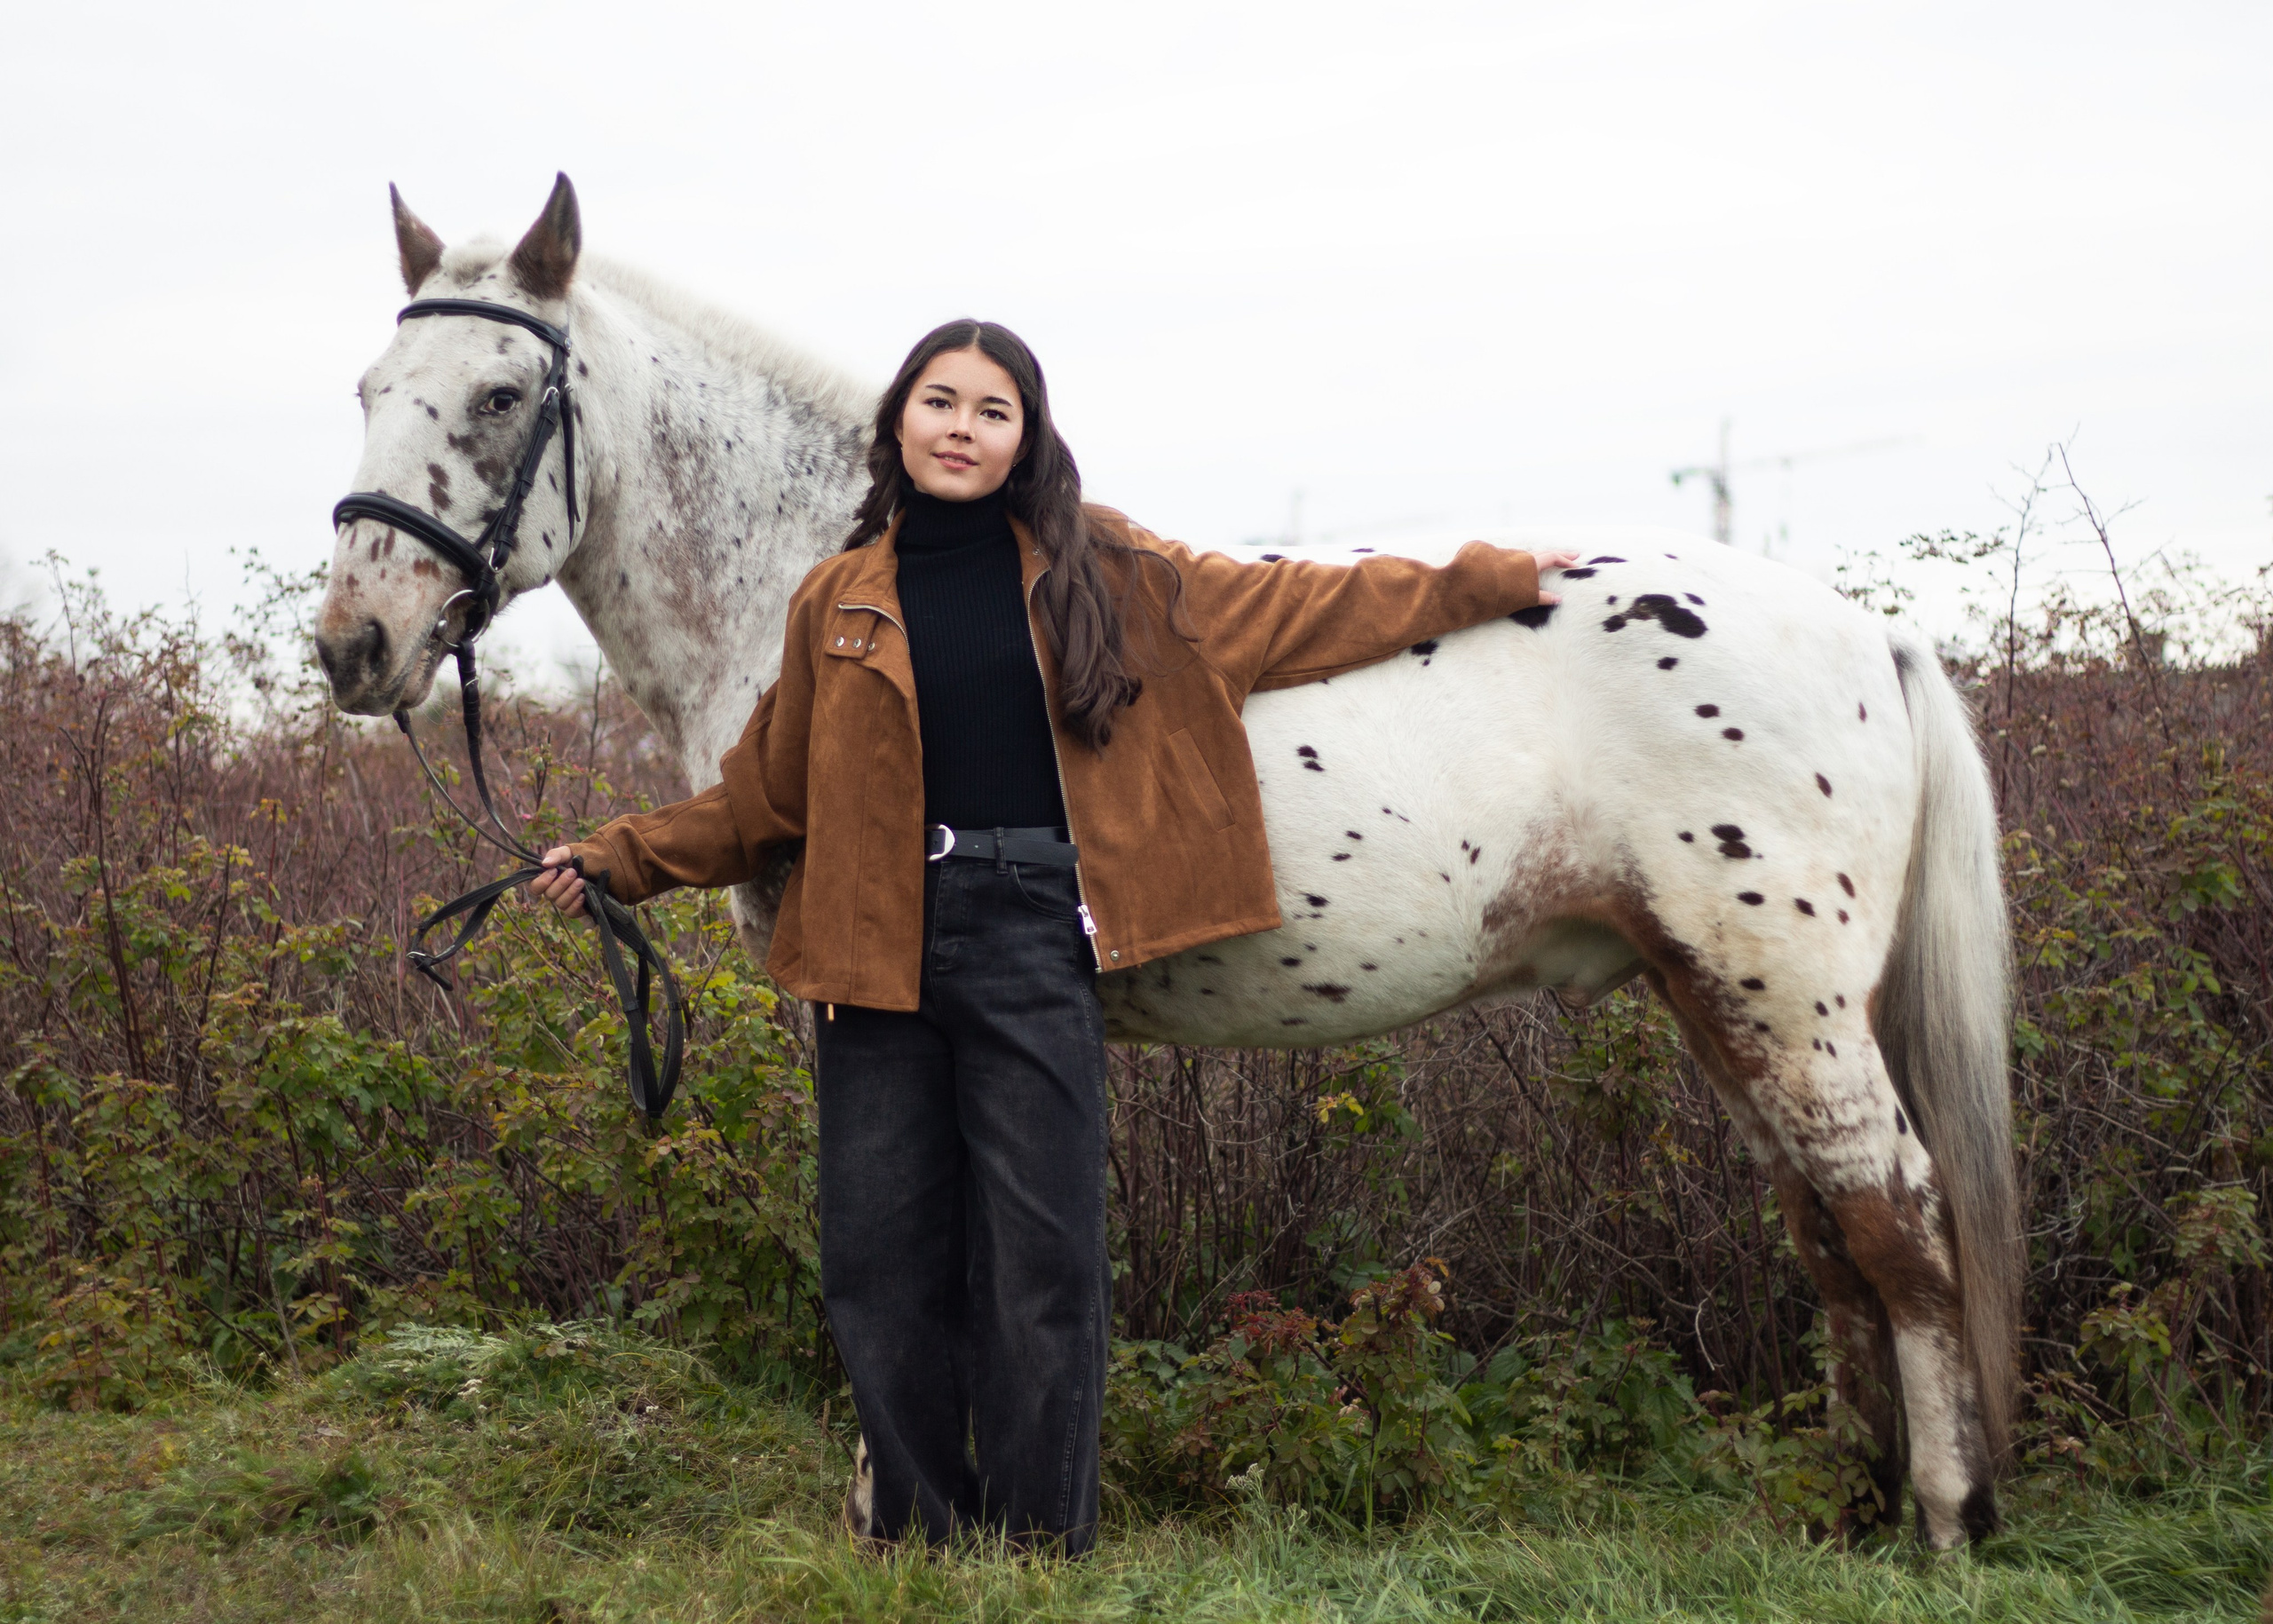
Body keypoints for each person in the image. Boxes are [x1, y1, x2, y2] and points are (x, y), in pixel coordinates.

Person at [528, 319, 1573, 1555]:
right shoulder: (839, 595)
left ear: (1026, 437)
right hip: (874, 949)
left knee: (1044, 1259)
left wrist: (1487, 581)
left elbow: (1309, 604)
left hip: (1031, 933)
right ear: (899, 422)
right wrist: (618, 857)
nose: (961, 427)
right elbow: (767, 799)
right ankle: (918, 1531)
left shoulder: (1109, 569)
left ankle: (1038, 1544)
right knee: (880, 1262)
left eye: (992, 409)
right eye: (939, 401)